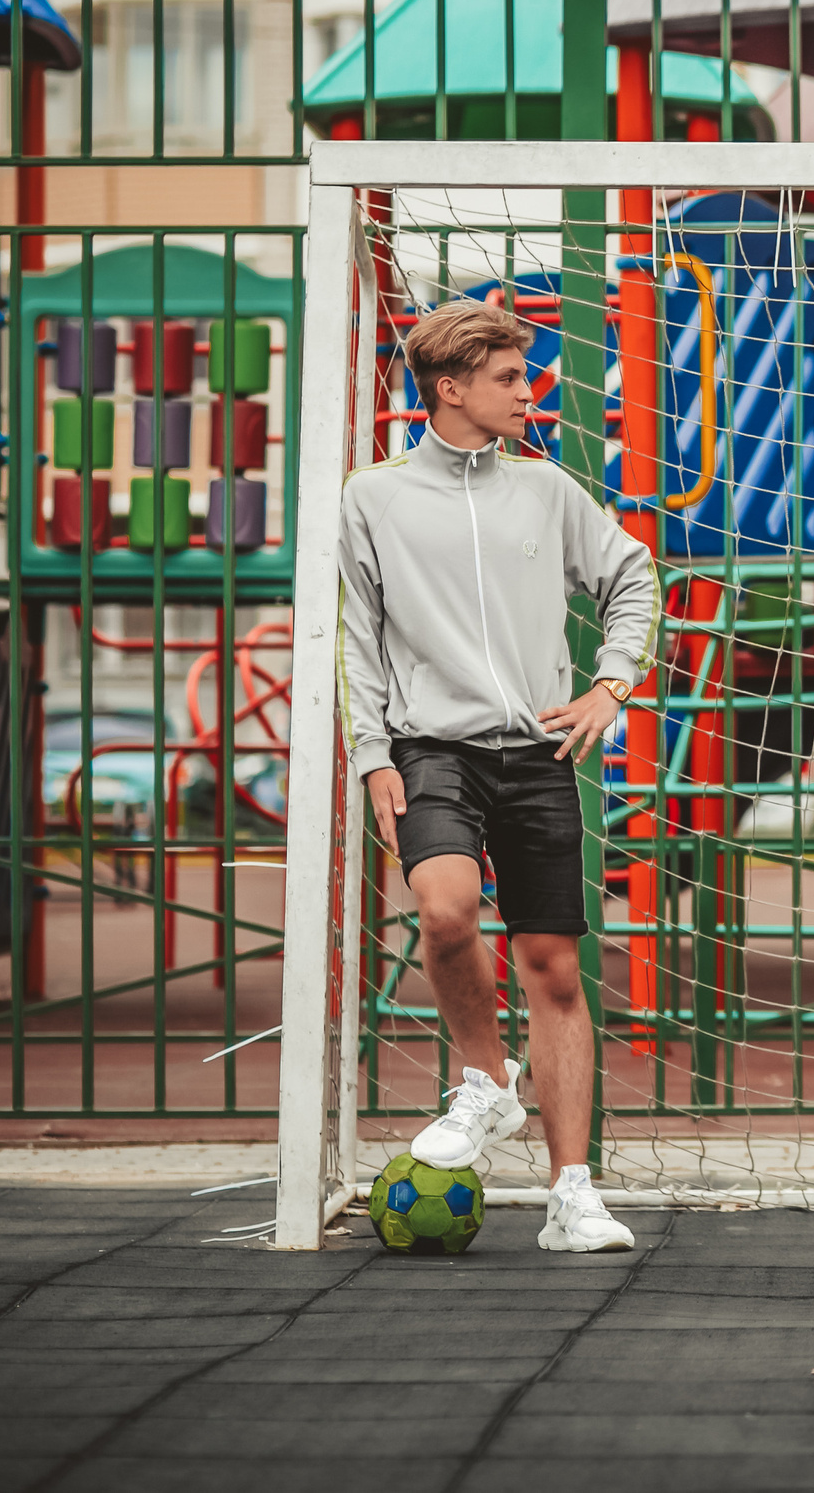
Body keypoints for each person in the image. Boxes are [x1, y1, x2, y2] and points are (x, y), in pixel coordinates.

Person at [338, 296, 660, 1253]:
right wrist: (369, 755)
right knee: (443, 909)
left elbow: (633, 578)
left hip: (538, 751)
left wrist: (611, 685)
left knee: (556, 969)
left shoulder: (548, 490)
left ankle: (572, 1194)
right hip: (428, 748)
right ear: (452, 387)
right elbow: (358, 643)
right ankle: (486, 1085)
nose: (530, 390)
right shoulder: (373, 497)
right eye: (511, 377)